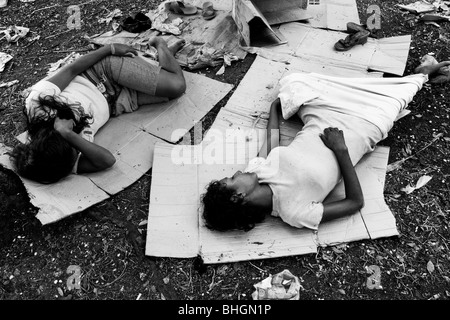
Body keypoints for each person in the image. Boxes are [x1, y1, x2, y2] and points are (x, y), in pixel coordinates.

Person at [201, 57, 450, 232]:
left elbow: (272, 139)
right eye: (230, 180)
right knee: (394, 102)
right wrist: (340, 150)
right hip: (360, 127)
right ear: (238, 197)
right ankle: (422, 75)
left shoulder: (257, 170)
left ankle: (405, 78)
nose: (235, 173)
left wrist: (276, 106)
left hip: (322, 116)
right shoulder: (294, 213)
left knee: (292, 82)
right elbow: (354, 203)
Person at [10, 36, 186, 184]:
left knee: (177, 86)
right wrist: (68, 134)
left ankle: (161, 45)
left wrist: (110, 49)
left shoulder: (37, 102)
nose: (74, 151)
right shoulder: (56, 161)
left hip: (104, 74)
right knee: (169, 94)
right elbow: (107, 160)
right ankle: (163, 61)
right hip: (119, 101)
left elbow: (72, 69)